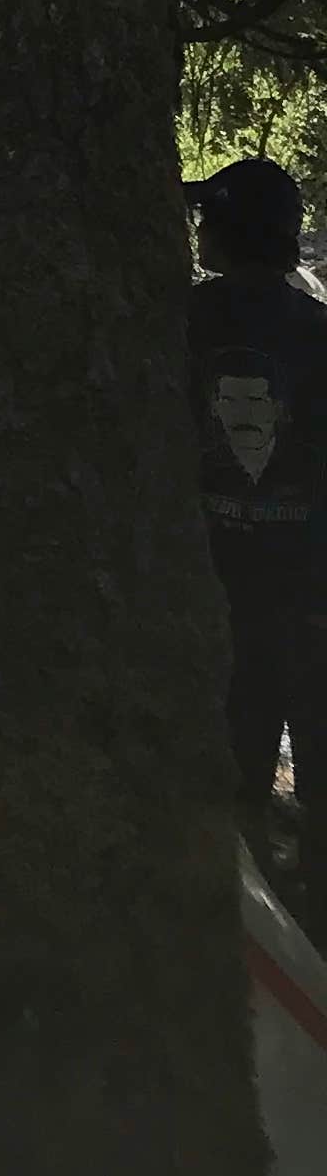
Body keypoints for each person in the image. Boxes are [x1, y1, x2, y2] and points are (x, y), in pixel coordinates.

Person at [189, 154, 327, 844]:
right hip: (308, 591)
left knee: (232, 792)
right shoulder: (318, 329)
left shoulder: (178, 323)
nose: (197, 228)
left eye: (205, 214)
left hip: (219, 590)